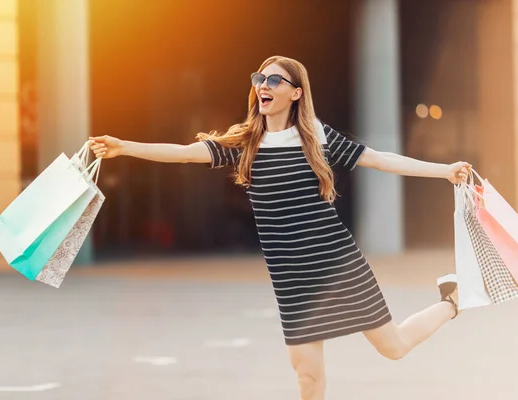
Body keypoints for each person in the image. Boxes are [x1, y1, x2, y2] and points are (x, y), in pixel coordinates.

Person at [89, 55, 471, 400]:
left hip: (337, 263)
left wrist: (444, 171)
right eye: (260, 78)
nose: (263, 86)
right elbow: (187, 154)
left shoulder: (315, 137)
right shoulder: (246, 141)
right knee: (308, 375)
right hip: (291, 277)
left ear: (296, 93)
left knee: (394, 346)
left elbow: (380, 160)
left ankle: (451, 302)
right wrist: (125, 146)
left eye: (274, 80)